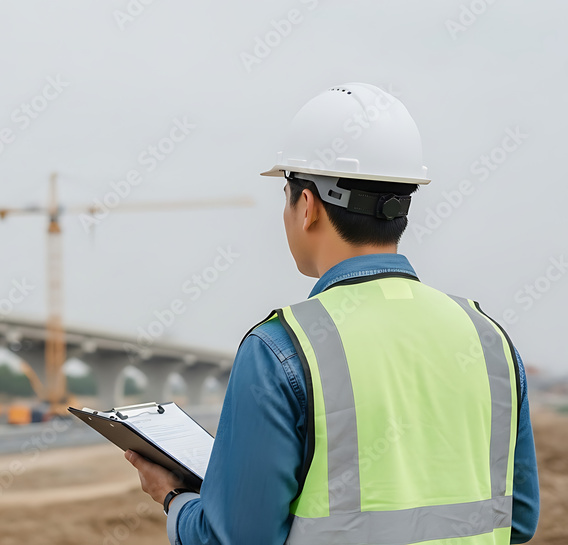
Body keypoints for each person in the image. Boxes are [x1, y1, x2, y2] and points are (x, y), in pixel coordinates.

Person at [125, 83, 541, 544]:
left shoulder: (280, 350)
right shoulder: (488, 340)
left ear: (307, 206)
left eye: (285, 193)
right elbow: (517, 519)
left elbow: (239, 538)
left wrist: (174, 499)